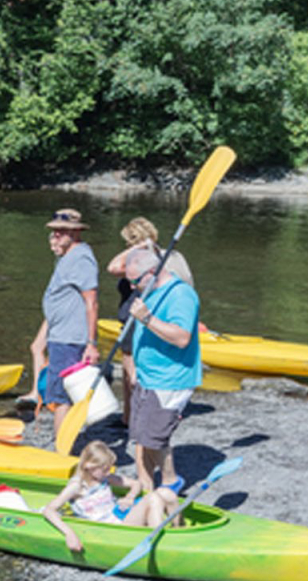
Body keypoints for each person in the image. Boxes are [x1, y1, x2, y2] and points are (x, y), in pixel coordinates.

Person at [125, 245, 201, 493]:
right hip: (148, 376)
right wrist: (136, 365)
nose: (132, 287)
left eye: (135, 281)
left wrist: (147, 318)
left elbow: (181, 338)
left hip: (170, 379)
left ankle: (170, 481)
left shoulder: (181, 296)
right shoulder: (151, 290)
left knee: (153, 438)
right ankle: (145, 489)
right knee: (139, 437)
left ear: (152, 272)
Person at [106, 217, 195, 427]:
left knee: (132, 374)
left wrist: (137, 248)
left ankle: (132, 417)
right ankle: (132, 415)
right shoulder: (166, 256)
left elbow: (112, 267)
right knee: (136, 371)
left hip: (136, 319)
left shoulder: (141, 260)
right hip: (145, 318)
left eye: (127, 242)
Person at [31, 208, 99, 444]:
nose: (55, 237)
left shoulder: (81, 258)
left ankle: (61, 450)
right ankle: (63, 444)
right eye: (54, 232)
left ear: (76, 233)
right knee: (60, 396)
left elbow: (91, 302)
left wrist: (91, 343)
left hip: (70, 339)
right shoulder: (67, 257)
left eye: (61, 233)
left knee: (62, 398)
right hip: (60, 336)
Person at [43, 440, 179, 553]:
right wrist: (69, 534)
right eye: (105, 469)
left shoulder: (105, 478)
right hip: (111, 530)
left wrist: (130, 497)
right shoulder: (77, 486)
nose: (109, 472)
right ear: (89, 466)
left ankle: (179, 534)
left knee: (168, 494)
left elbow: (136, 484)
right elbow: (49, 510)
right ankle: (160, 546)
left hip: (120, 516)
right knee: (153, 498)